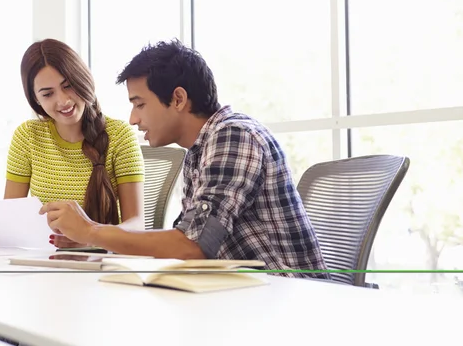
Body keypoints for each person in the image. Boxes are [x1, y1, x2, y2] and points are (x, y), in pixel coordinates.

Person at [38, 39, 330, 279]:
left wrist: (93, 232)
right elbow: (184, 237)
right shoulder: (200, 149)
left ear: (178, 99)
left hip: (289, 299)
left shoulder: (234, 136)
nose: (133, 119)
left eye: (139, 104)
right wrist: (95, 239)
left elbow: (192, 246)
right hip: (245, 297)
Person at [0, 39, 145, 248]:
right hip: (43, 262)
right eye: (48, 94)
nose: (63, 100)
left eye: (68, 86)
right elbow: (9, 221)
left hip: (102, 262)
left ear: (83, 80)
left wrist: (88, 237)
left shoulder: (120, 136)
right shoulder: (27, 137)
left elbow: (137, 226)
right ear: (36, 99)